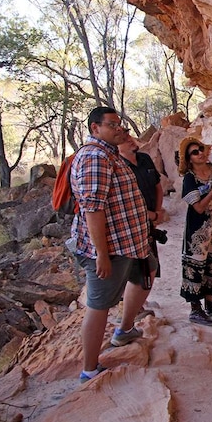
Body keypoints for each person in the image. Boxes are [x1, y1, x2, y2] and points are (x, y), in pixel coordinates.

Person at [71, 106, 156, 383]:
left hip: (131, 242)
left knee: (146, 276)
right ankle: (89, 369)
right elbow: (92, 209)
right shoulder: (95, 157)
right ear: (95, 128)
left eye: (120, 124)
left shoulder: (110, 155)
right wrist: (101, 255)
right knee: (99, 304)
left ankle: (125, 330)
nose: (120, 129)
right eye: (112, 125)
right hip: (113, 247)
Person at [177, 137, 212, 326]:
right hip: (197, 232)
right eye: (194, 152)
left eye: (201, 149)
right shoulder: (189, 178)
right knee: (196, 267)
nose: (200, 153)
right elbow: (199, 208)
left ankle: (210, 307)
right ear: (189, 158)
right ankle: (195, 310)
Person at [118, 136, 165, 321]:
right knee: (135, 266)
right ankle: (131, 311)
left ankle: (138, 305)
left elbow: (157, 187)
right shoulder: (118, 166)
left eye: (129, 135)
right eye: (125, 138)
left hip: (149, 221)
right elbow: (126, 204)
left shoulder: (144, 158)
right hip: (131, 224)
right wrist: (152, 216)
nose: (130, 139)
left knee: (148, 264)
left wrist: (157, 212)